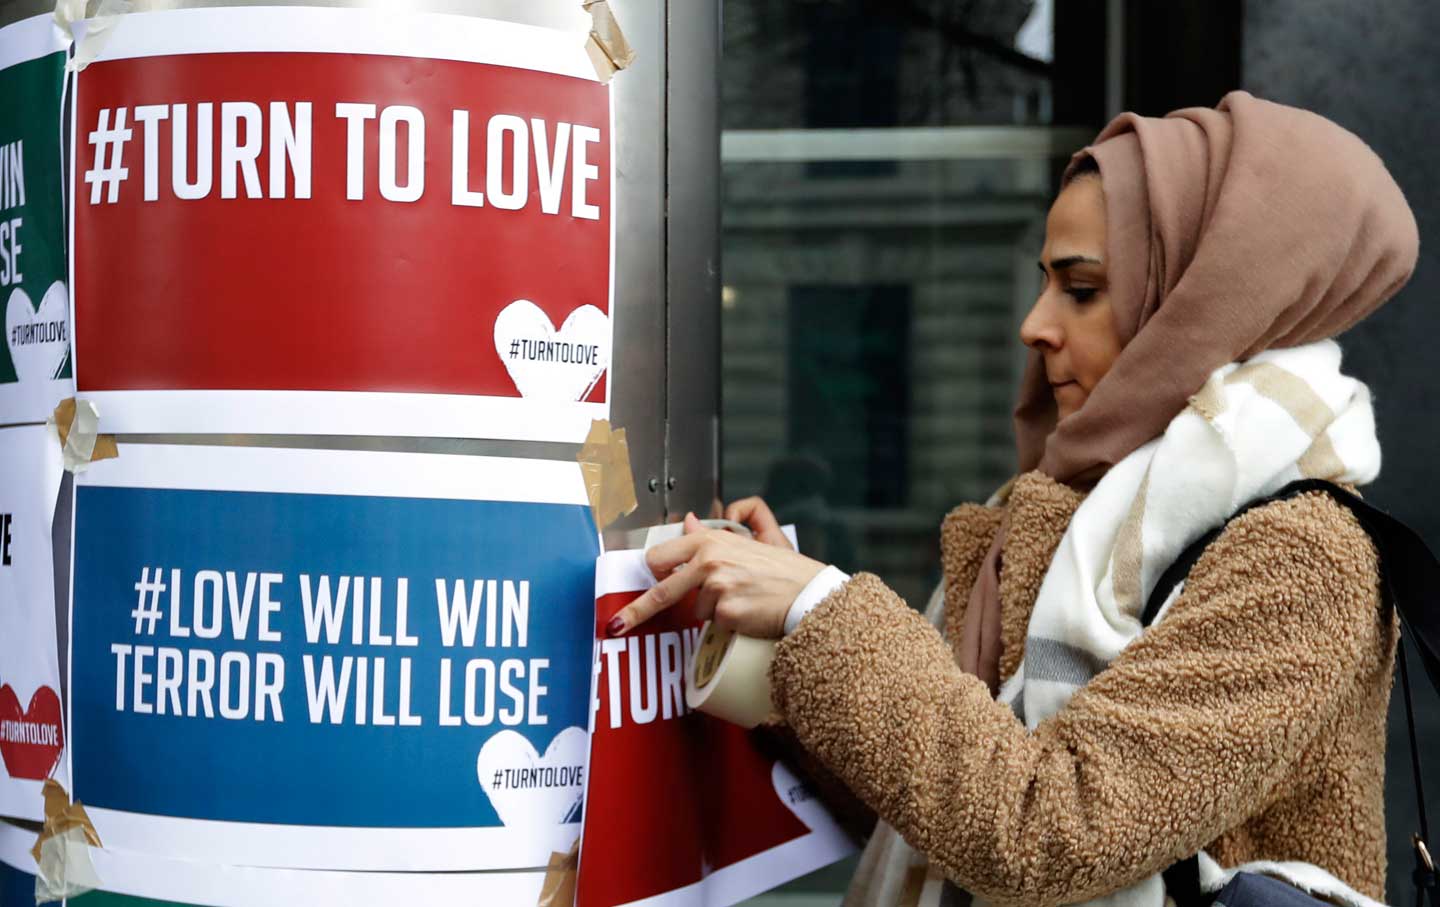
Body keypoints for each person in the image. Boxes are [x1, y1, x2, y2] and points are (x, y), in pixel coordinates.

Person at [608, 91, 1419, 907]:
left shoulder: (1302, 553)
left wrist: (822, 610)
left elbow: (1050, 833)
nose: (1034, 324)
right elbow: (929, 815)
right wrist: (780, 637)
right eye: (1045, 284)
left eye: (1083, 289)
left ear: (1201, 304)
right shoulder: (1046, 518)